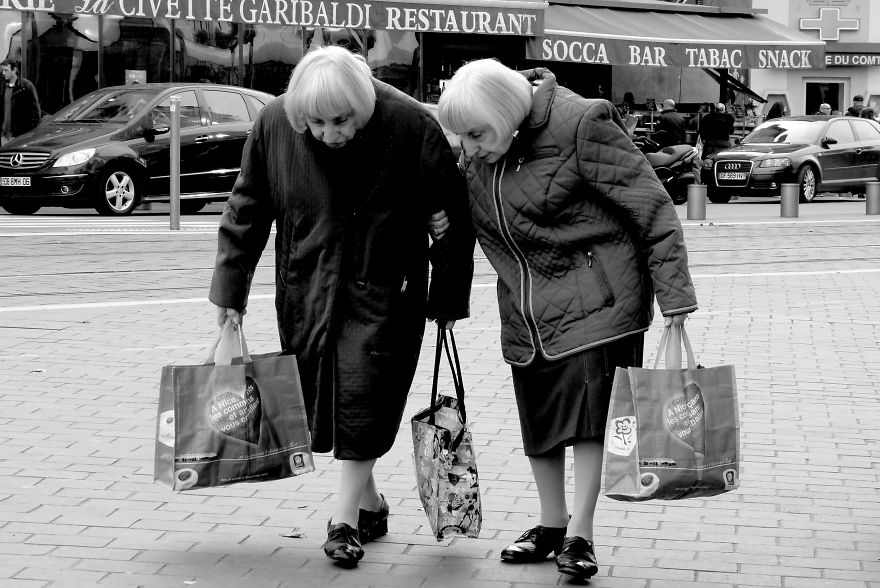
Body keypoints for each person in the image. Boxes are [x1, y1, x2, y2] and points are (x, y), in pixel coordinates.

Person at [209, 46, 474, 568]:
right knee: (324, 403)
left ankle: (344, 521)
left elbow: (454, 215)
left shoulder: (410, 126)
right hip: (305, 289)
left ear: (363, 103)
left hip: (386, 292)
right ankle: (370, 504)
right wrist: (230, 294)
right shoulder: (274, 125)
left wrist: (446, 297)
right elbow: (246, 210)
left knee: (364, 397)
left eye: (342, 121)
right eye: (317, 123)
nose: (331, 134)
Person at [434, 60, 697, 582]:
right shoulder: (481, 153)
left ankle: (581, 532)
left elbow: (652, 207)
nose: (468, 148)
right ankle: (551, 524)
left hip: (600, 300)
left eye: (476, 135)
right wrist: (439, 232)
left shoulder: (581, 122)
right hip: (528, 309)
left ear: (506, 115)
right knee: (541, 420)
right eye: (460, 137)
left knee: (588, 420)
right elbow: (465, 226)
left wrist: (675, 300)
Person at [0, 58, 40, 144]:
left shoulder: (26, 86)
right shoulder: (3, 86)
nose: (3, 73)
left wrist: (25, 134)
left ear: (14, 70)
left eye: (6, 70)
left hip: (19, 136)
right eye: (2, 70)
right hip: (3, 137)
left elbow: (35, 113)